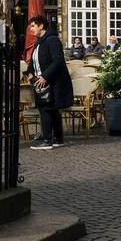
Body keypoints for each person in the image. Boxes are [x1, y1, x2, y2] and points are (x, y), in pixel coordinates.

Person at [27, 13, 74, 150]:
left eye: (33, 26)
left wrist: (45, 76)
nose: (31, 29)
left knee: (46, 109)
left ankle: (48, 140)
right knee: (52, 110)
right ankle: (58, 139)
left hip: (53, 82)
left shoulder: (52, 40)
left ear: (41, 26)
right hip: (43, 81)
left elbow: (58, 61)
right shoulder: (38, 42)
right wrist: (29, 73)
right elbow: (33, 60)